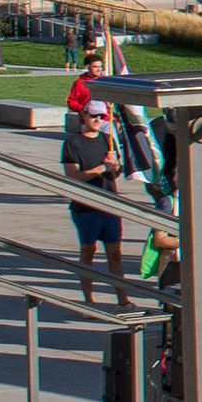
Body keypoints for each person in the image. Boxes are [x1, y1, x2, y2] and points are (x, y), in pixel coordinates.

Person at [62, 101, 132, 307]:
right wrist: (102, 168)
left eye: (102, 117)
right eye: (94, 116)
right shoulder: (72, 142)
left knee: (115, 254)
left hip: (109, 204)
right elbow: (73, 176)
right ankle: (88, 301)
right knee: (88, 252)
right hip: (86, 207)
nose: (98, 120)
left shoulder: (107, 139)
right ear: (83, 116)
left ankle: (123, 300)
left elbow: (116, 172)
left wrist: (115, 165)